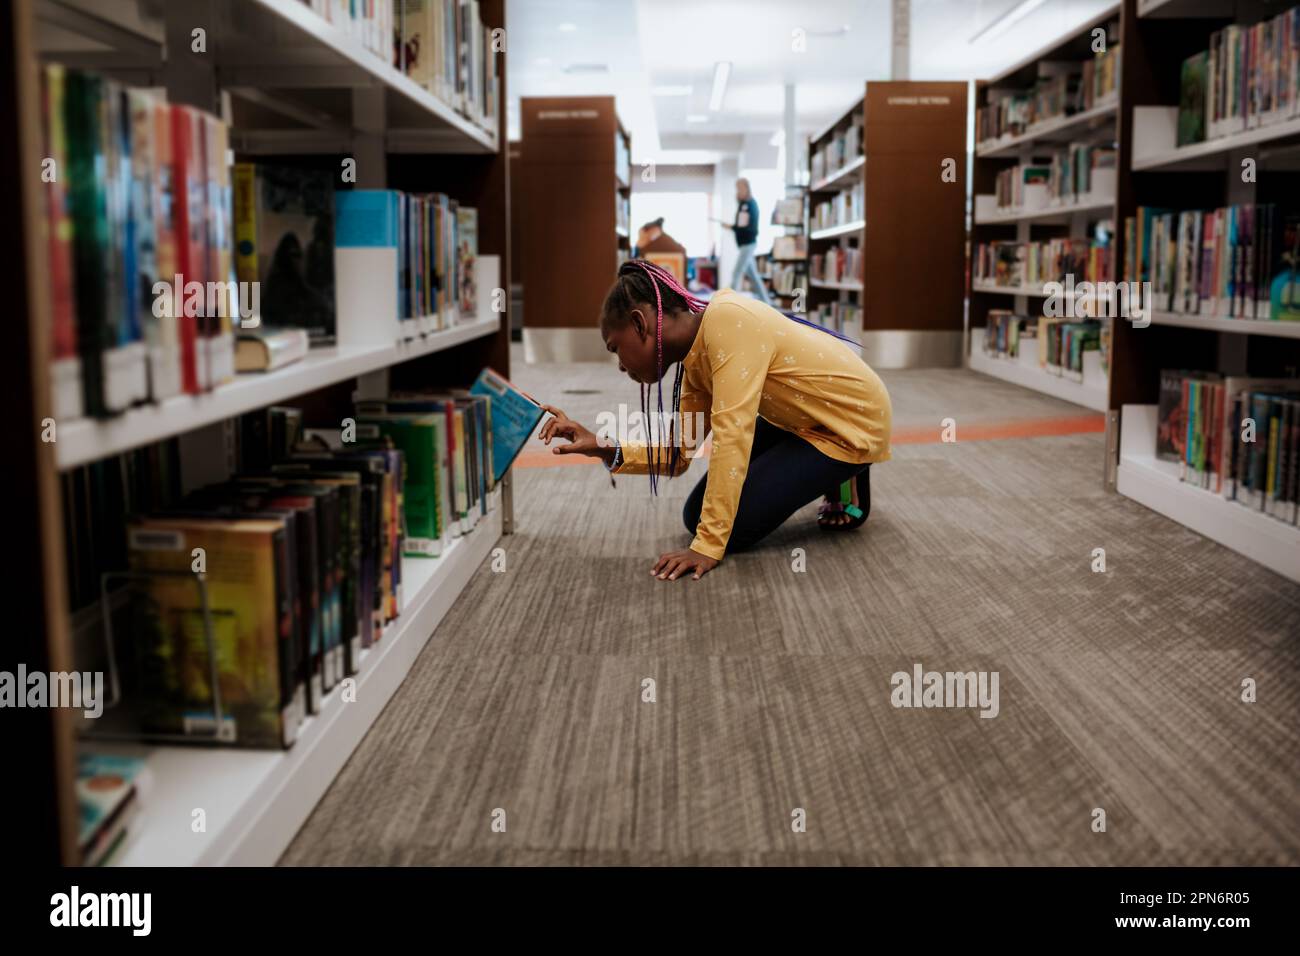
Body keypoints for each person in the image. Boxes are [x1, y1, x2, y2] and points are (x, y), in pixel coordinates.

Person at [538, 259, 892, 581]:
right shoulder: (695, 362)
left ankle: (851, 471)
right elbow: (678, 455)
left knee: (730, 532)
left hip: (853, 420)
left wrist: (707, 548)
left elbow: (732, 439)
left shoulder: (728, 322)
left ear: (639, 323)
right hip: (803, 419)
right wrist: (601, 446)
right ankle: (827, 467)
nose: (619, 364)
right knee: (696, 516)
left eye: (615, 348)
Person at [721, 178, 772, 306]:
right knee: (754, 277)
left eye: (740, 188)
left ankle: (729, 302)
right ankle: (767, 302)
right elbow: (741, 224)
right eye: (737, 188)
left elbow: (749, 227)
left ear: (746, 188)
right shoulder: (742, 204)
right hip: (744, 244)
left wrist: (732, 227)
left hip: (748, 244)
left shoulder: (751, 204)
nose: (738, 191)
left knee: (736, 272)